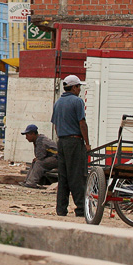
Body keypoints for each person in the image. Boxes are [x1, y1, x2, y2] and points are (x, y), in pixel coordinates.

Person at [51, 75, 91, 217]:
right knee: (77, 176)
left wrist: (61, 139)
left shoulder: (58, 103)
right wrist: (87, 143)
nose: (80, 89)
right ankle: (80, 209)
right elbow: (82, 123)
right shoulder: (77, 101)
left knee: (63, 177)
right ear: (74, 87)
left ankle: (61, 209)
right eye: (79, 86)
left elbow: (56, 126)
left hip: (61, 142)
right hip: (74, 142)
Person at [20, 124, 58, 189]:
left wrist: (37, 159)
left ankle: (31, 182)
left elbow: (40, 157)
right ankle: (27, 181)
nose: (26, 137)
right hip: (54, 157)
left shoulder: (40, 141)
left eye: (27, 135)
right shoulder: (38, 139)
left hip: (57, 158)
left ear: (33, 134)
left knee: (39, 163)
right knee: (35, 161)